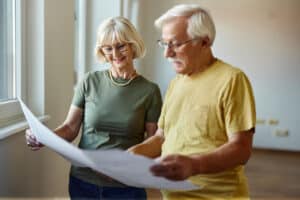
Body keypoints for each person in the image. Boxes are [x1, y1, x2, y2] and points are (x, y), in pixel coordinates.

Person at [25, 16, 162, 200]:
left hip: (126, 186)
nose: (115, 53)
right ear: (102, 51)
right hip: (83, 182)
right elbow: (70, 128)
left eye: (121, 46)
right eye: (108, 48)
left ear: (132, 45)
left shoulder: (149, 91)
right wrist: (43, 136)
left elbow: (153, 144)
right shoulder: (89, 82)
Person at [128, 4, 256, 200]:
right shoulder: (175, 84)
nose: (167, 54)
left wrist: (194, 165)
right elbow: (162, 137)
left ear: (204, 42)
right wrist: (126, 158)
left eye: (176, 44)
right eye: (164, 44)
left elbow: (241, 148)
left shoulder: (232, 79)